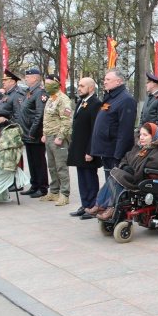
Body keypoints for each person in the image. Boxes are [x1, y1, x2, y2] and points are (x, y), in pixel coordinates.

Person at [85, 123, 158, 220]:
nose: (141, 137)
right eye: (140, 134)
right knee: (114, 174)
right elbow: (126, 157)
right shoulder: (138, 147)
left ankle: (110, 208)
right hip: (133, 175)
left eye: (145, 135)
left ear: (153, 136)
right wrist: (125, 166)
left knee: (118, 177)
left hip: (142, 179)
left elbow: (155, 165)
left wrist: (133, 170)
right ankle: (100, 205)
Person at [90, 68, 137, 180]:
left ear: (118, 81)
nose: (104, 82)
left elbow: (125, 131)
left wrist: (118, 155)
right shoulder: (111, 97)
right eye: (105, 79)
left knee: (114, 183)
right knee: (109, 182)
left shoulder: (126, 100)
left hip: (114, 152)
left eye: (108, 79)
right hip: (106, 150)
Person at [68, 77, 103, 219]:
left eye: (82, 86)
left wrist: (91, 150)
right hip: (79, 148)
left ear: (91, 88)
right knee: (82, 178)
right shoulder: (82, 102)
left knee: (90, 178)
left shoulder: (95, 103)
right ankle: (85, 204)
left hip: (88, 149)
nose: (79, 88)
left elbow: (95, 129)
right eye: (78, 85)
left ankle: (92, 206)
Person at [40, 74, 72, 206]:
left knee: (61, 167)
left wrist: (60, 137)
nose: (46, 86)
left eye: (49, 83)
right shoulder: (50, 98)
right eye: (45, 83)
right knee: (52, 167)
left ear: (57, 83)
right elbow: (46, 117)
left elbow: (67, 120)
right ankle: (54, 191)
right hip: (49, 136)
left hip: (58, 137)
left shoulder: (63, 99)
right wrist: (44, 133)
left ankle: (64, 194)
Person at [18, 68, 49, 198]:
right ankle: (34, 184)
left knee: (39, 161)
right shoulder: (29, 92)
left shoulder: (40, 92)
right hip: (27, 132)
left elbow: (39, 114)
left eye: (28, 77)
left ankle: (42, 187)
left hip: (34, 132)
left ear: (35, 78)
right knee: (31, 160)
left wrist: (33, 131)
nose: (26, 79)